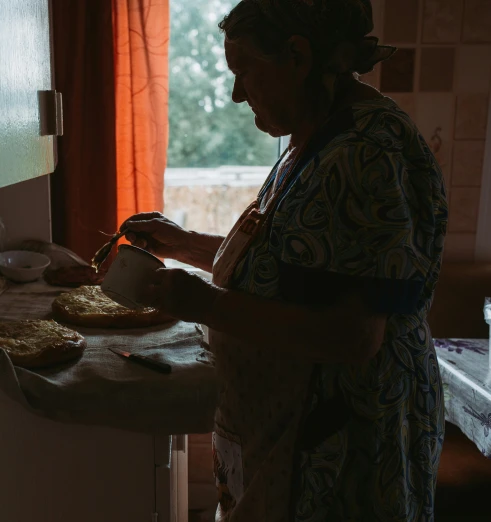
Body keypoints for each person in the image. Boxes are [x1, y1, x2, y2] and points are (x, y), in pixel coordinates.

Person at [121, 0, 448, 520]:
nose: (235, 93)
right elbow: (289, 265)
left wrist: (202, 303)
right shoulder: (318, 136)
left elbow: (353, 337)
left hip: (339, 446)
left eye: (244, 71)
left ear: (297, 55)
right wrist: (184, 246)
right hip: (290, 431)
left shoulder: (364, 152)